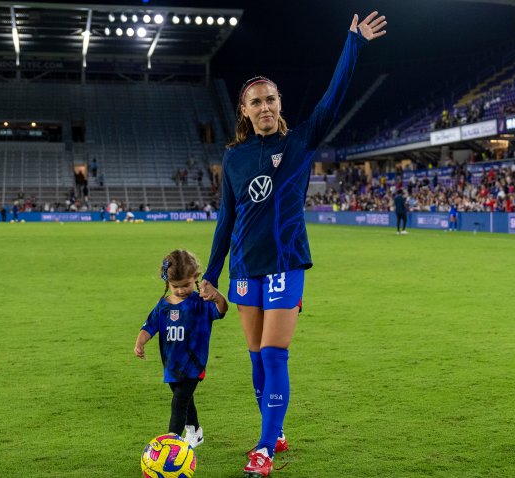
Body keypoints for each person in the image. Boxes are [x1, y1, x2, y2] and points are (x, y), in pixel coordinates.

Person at [198, 11, 387, 477]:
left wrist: (353, 44)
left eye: (270, 100)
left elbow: (333, 97)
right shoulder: (234, 159)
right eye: (255, 102)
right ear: (244, 110)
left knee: (275, 353)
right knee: (256, 358)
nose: (264, 107)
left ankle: (264, 447)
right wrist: (211, 273)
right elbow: (226, 221)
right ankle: (275, 429)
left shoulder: (302, 141)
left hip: (286, 264)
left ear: (280, 104)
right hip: (244, 267)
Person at [134, 250, 228, 448]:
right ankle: (195, 432)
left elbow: (221, 311)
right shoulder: (163, 306)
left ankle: (171, 444)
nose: (182, 290)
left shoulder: (200, 303)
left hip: (194, 363)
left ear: (195, 278)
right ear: (167, 282)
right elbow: (149, 326)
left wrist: (217, 297)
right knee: (185, 400)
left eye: (186, 285)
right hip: (171, 364)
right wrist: (140, 342)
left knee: (179, 403)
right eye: (176, 286)